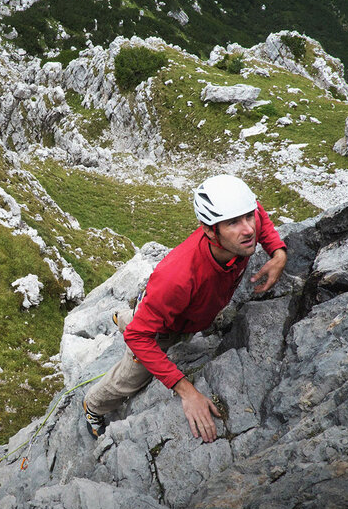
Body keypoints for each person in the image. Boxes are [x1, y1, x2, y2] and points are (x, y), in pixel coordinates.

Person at [83, 175, 287, 442]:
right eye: (233, 223)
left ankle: (127, 317)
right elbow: (138, 337)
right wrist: (187, 391)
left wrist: (278, 252)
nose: (249, 229)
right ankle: (93, 406)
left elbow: (258, 212)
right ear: (210, 230)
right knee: (131, 378)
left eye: (248, 217)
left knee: (141, 319)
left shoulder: (240, 230)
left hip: (192, 314)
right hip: (167, 328)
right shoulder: (177, 278)